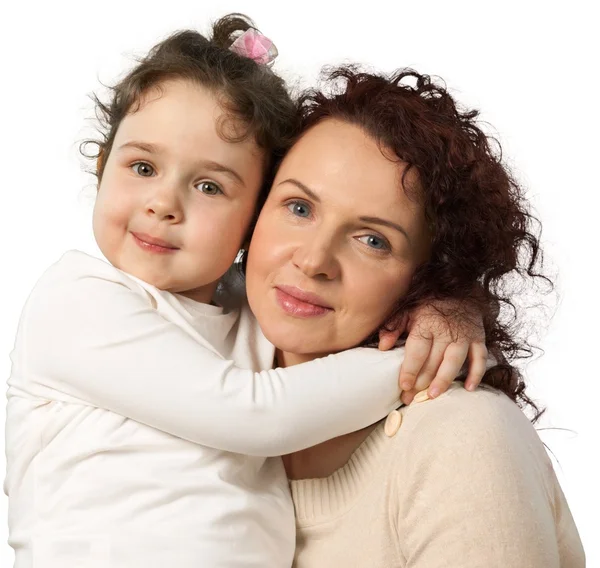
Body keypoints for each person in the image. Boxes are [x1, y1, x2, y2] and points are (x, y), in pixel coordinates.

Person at [4, 15, 488, 568]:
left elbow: (350, 327)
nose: (163, 203)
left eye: (209, 185)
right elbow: (261, 416)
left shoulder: (256, 309)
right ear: (101, 163)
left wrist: (449, 308)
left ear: (257, 213)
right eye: (142, 165)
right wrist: (420, 361)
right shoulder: (76, 303)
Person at [243, 66, 586, 567]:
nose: (314, 260)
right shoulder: (193, 373)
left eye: (373, 240)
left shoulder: (461, 438)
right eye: (299, 207)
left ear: (429, 276)